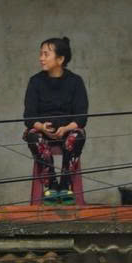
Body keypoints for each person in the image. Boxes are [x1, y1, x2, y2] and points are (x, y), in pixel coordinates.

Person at [23, 35, 88, 203]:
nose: (41, 58)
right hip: (42, 131)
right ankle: (51, 185)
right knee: (34, 136)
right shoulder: (35, 82)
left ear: (60, 59)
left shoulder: (75, 82)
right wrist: (41, 127)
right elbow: (29, 116)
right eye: (41, 54)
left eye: (46, 54)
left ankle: (65, 185)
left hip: (67, 130)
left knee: (77, 136)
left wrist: (66, 128)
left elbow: (81, 116)